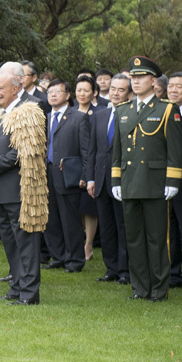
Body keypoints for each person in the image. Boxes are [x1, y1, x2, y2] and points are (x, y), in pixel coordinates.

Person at [0, 66, 48, 305]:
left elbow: (21, 154)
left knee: (26, 244)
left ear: (16, 88)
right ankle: (16, 287)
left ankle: (29, 293)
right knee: (11, 243)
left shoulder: (29, 112)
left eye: (0, 88)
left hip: (20, 192)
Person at [111, 56, 182, 302]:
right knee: (134, 240)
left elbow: (174, 150)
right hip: (130, 183)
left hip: (155, 184)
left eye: (141, 77)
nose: (136, 81)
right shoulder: (123, 110)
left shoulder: (166, 109)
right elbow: (117, 152)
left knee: (157, 239)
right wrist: (116, 181)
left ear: (154, 81)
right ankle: (140, 288)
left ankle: (158, 289)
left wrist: (172, 181)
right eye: (133, 77)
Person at [42, 79, 91, 273]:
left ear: (67, 95)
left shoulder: (78, 117)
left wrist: (85, 175)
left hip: (68, 174)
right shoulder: (44, 117)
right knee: (51, 218)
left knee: (70, 219)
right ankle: (59, 255)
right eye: (50, 92)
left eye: (57, 92)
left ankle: (74, 260)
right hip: (47, 174)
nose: (53, 95)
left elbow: (86, 150)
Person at [88, 73, 132, 285]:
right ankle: (111, 268)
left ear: (129, 94)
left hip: (123, 180)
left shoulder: (132, 115)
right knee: (105, 226)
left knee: (123, 226)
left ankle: (125, 270)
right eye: (113, 88)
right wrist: (90, 179)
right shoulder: (99, 115)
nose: (115, 93)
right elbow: (93, 151)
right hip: (101, 179)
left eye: (121, 89)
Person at [166, 72, 182, 290]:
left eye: (178, 87)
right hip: (164, 183)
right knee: (170, 231)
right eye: (170, 86)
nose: (173, 90)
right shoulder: (164, 112)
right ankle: (173, 274)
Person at [74, 74, 101, 260]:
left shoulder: (99, 113)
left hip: (91, 165)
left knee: (89, 207)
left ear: (94, 93)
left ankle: (88, 245)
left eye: (86, 90)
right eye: (79, 90)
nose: (82, 94)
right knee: (77, 208)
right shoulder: (70, 112)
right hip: (71, 166)